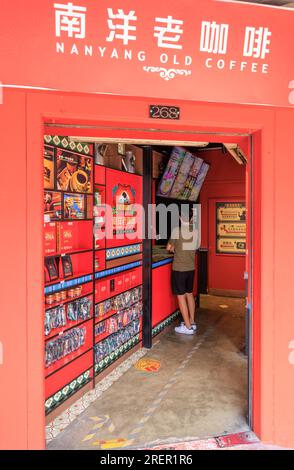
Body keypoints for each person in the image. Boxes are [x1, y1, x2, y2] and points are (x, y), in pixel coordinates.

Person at [167, 208, 198, 335]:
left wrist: (176, 249)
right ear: (191, 218)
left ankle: (188, 327)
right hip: (191, 268)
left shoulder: (177, 231)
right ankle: (192, 321)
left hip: (179, 269)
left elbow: (169, 248)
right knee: (189, 294)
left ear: (180, 217)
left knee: (181, 297)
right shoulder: (195, 231)